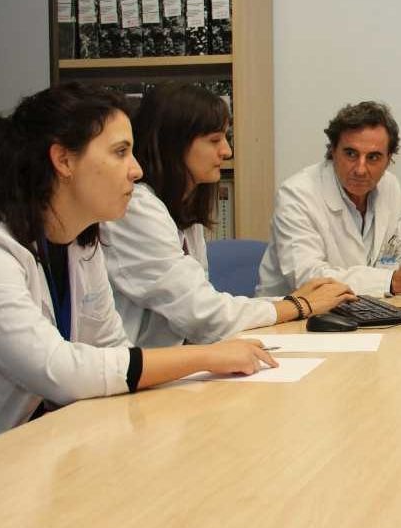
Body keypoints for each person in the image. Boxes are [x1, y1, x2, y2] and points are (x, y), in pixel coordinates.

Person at [0, 83, 279, 462]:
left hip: (31, 450)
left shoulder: (80, 242)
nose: (137, 170)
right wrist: (205, 357)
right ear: (63, 161)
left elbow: (111, 349)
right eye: (120, 153)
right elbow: (59, 371)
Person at [100, 83, 355, 347]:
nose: (226, 151)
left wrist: (291, 303)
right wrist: (298, 305)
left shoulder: (180, 208)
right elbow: (203, 315)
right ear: (173, 143)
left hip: (173, 364)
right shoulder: (135, 210)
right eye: (214, 140)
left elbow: (205, 309)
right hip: (137, 373)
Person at [256, 101, 401, 298]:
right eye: (351, 154)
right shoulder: (297, 194)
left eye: (373, 157)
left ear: (389, 159)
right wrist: (392, 281)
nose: (360, 169)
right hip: (295, 321)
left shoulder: (389, 186)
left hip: (367, 313)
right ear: (333, 150)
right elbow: (310, 279)